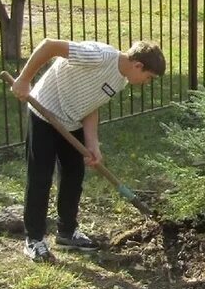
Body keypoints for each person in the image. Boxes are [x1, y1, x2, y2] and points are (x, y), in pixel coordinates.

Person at [10, 39, 166, 262]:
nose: (146, 82)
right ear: (138, 66)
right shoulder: (98, 56)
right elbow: (49, 46)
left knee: (74, 176)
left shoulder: (121, 79)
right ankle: (34, 239)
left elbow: (91, 105)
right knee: (40, 177)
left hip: (71, 122)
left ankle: (67, 232)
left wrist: (92, 143)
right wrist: (24, 80)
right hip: (44, 113)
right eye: (149, 78)